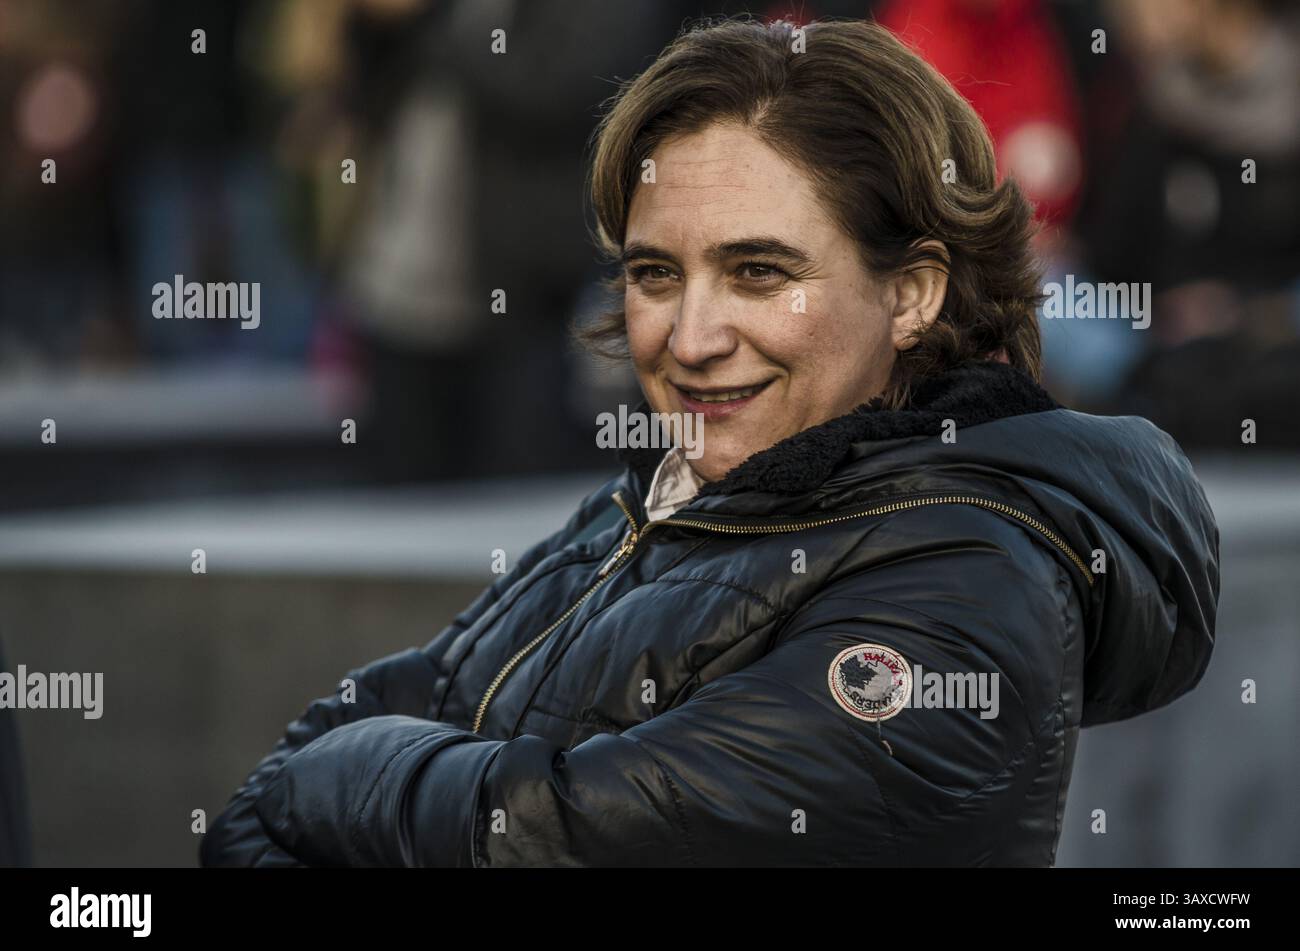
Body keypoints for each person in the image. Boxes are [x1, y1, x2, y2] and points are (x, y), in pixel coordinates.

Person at [199, 17, 1218, 867]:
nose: (689, 339)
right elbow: (276, 792)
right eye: (653, 275)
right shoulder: (652, 505)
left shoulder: (967, 580)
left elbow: (563, 834)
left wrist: (337, 789)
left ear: (912, 291)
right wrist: (329, 786)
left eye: (759, 273)